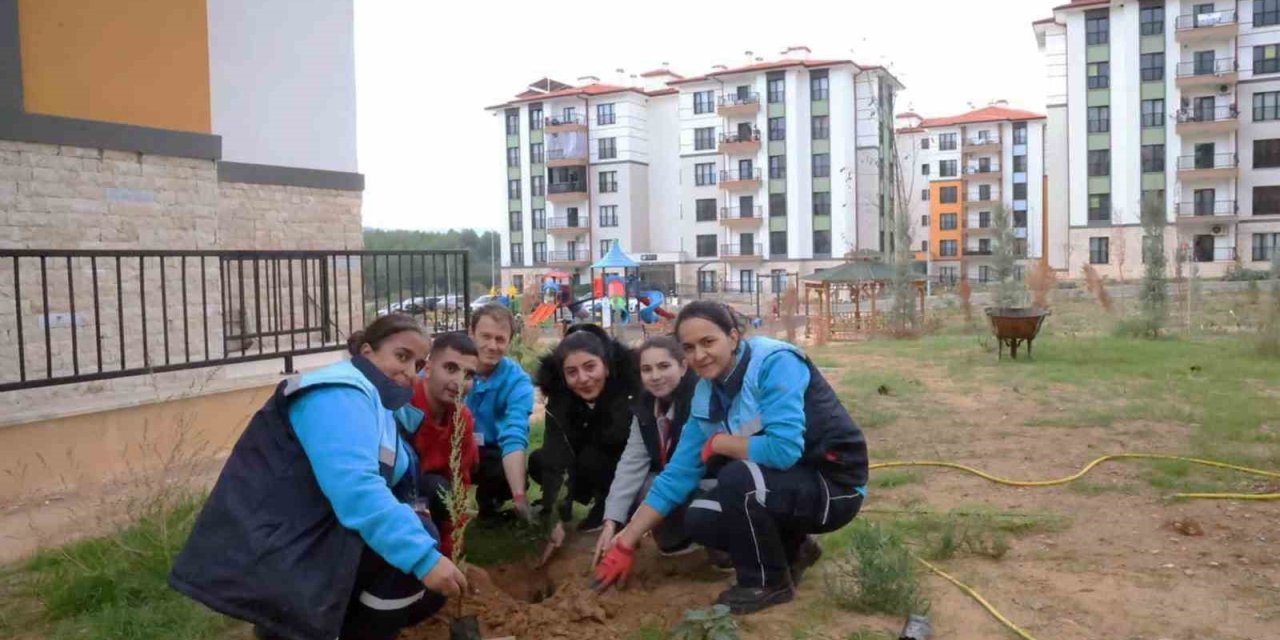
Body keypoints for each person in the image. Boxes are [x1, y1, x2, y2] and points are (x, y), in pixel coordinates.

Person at [169, 314, 469, 640]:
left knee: (419, 557)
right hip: (280, 542)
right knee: (408, 564)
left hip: (313, 531)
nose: (410, 372)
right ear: (367, 352)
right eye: (402, 356)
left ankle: (325, 626)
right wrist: (423, 557)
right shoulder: (338, 395)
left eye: (418, 363)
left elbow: (393, 480)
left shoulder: (378, 404)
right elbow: (357, 489)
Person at [594, 301, 868, 615]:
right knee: (699, 516)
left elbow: (784, 450)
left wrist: (721, 442)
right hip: (788, 485)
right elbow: (677, 475)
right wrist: (626, 540)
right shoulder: (707, 394)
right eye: (689, 347)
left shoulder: (775, 362)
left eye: (708, 342)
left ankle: (766, 583)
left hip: (835, 486)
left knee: (737, 478)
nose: (699, 355)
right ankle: (795, 550)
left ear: (733, 338)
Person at [529, 323, 637, 563]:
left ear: (606, 366)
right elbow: (555, 454)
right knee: (539, 460)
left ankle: (614, 507)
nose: (583, 379)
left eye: (590, 367)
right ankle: (578, 504)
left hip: (627, 463)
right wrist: (557, 516)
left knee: (595, 455)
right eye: (572, 372)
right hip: (585, 464)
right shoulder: (559, 398)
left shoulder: (630, 388)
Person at [592, 335, 700, 564]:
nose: (656, 376)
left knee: (655, 485)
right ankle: (676, 545)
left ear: (683, 366)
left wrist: (630, 535)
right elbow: (631, 463)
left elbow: (688, 468)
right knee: (643, 484)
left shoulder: (700, 400)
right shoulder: (645, 407)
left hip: (708, 481)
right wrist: (611, 521)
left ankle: (722, 552)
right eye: (646, 369)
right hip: (675, 483)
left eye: (664, 366)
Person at [402, 332, 481, 559]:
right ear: (427, 369)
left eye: (468, 375)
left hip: (433, 495)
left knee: (442, 489)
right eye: (450, 368)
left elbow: (460, 487)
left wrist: (450, 552)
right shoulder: (402, 406)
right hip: (398, 499)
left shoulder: (462, 418)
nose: (458, 382)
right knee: (431, 486)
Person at [465, 304, 536, 521]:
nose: (492, 346)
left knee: (513, 475)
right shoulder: (450, 367)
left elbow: (514, 433)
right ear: (471, 333)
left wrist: (519, 497)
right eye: (485, 336)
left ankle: (489, 506)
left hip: (490, 451)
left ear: (509, 341)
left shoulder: (518, 381)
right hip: (448, 445)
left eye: (500, 339)